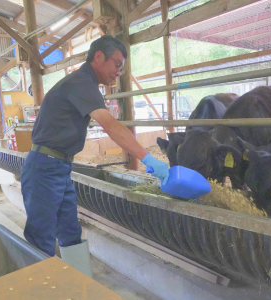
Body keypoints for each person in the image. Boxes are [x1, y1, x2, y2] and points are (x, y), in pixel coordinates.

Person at [20, 35, 169, 277]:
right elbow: (110, 125)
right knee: (41, 239)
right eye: (117, 65)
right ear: (99, 57)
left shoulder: (84, 84)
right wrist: (148, 158)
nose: (118, 73)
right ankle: (39, 290)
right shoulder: (81, 83)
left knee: (69, 231)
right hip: (44, 168)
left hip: (60, 166)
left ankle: (81, 288)